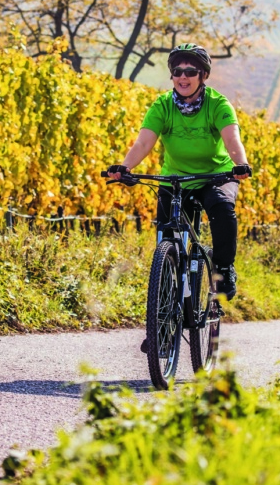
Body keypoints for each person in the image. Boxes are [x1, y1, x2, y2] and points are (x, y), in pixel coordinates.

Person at [107, 43, 252, 301]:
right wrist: (125, 168)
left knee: (221, 208)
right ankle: (163, 309)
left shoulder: (218, 104)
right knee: (166, 234)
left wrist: (240, 164)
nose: (183, 77)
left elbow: (232, 140)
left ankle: (223, 269)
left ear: (203, 75)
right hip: (175, 177)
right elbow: (143, 143)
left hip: (215, 175)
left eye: (190, 71)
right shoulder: (163, 106)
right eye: (177, 71)